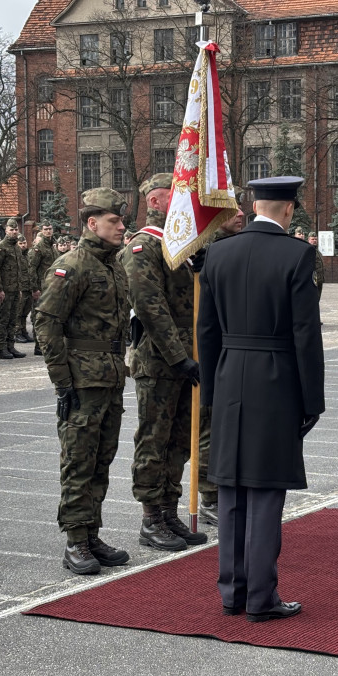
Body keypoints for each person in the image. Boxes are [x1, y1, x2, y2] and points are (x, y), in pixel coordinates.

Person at [197, 176, 325, 623]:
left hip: (231, 376)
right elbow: (306, 335)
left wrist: (212, 390)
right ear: (289, 209)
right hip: (276, 380)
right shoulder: (297, 254)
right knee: (267, 491)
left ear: (253, 204)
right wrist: (312, 400)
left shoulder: (218, 252)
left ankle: (232, 591)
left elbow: (207, 331)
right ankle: (262, 597)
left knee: (231, 488)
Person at [34, 188, 132, 576]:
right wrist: (62, 382)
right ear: (93, 224)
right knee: (78, 461)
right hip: (81, 380)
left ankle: (91, 534)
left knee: (101, 460)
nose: (122, 227)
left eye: (121, 221)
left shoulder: (113, 265)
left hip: (110, 376)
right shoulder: (71, 265)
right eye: (114, 221)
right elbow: (47, 323)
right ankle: (75, 540)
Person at [122, 173, 206, 552]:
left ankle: (169, 510)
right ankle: (151, 517)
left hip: (187, 360)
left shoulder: (182, 246)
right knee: (154, 439)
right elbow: (150, 308)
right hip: (159, 362)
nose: (185, 204)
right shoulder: (144, 247)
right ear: (156, 201)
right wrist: (180, 357)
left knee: (178, 440)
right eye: (177, 197)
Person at [194, 203, 245, 526]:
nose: (240, 215)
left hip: (234, 353)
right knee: (207, 431)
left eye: (243, 210)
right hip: (203, 354)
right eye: (232, 211)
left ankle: (225, 490)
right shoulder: (199, 251)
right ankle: (209, 496)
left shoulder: (238, 250)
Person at [0, 220, 26, 360]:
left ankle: (10, 345)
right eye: (11, 229)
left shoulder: (17, 248)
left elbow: (18, 270)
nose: (14, 232)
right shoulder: (1, 247)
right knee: (3, 319)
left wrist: (19, 288)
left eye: (16, 229)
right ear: (6, 230)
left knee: (13, 319)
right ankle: (2, 347)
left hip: (15, 289)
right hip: (5, 290)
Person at [28, 221, 56, 356]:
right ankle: (38, 345)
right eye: (45, 229)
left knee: (51, 317)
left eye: (50, 229)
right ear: (42, 230)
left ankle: (48, 343)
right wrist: (34, 289)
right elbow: (32, 268)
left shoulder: (53, 246)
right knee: (39, 316)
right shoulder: (39, 247)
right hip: (41, 288)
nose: (48, 231)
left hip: (52, 288)